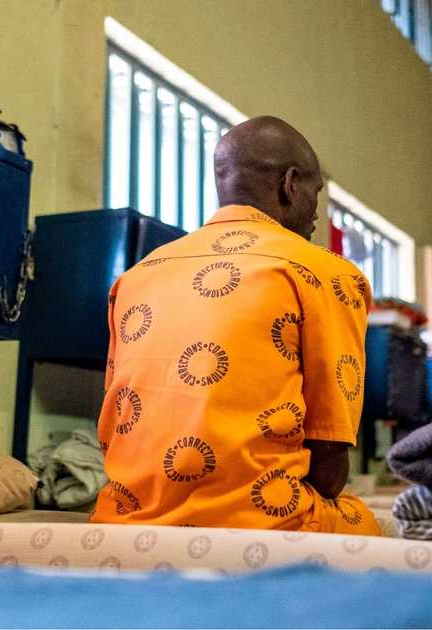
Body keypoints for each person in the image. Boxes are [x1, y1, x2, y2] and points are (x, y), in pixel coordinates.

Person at [90, 116, 380, 535]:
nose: (318, 212)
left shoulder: (136, 276)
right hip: (265, 522)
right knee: (368, 523)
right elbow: (330, 464)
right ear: (291, 183)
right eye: (317, 193)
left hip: (126, 517)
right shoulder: (325, 273)